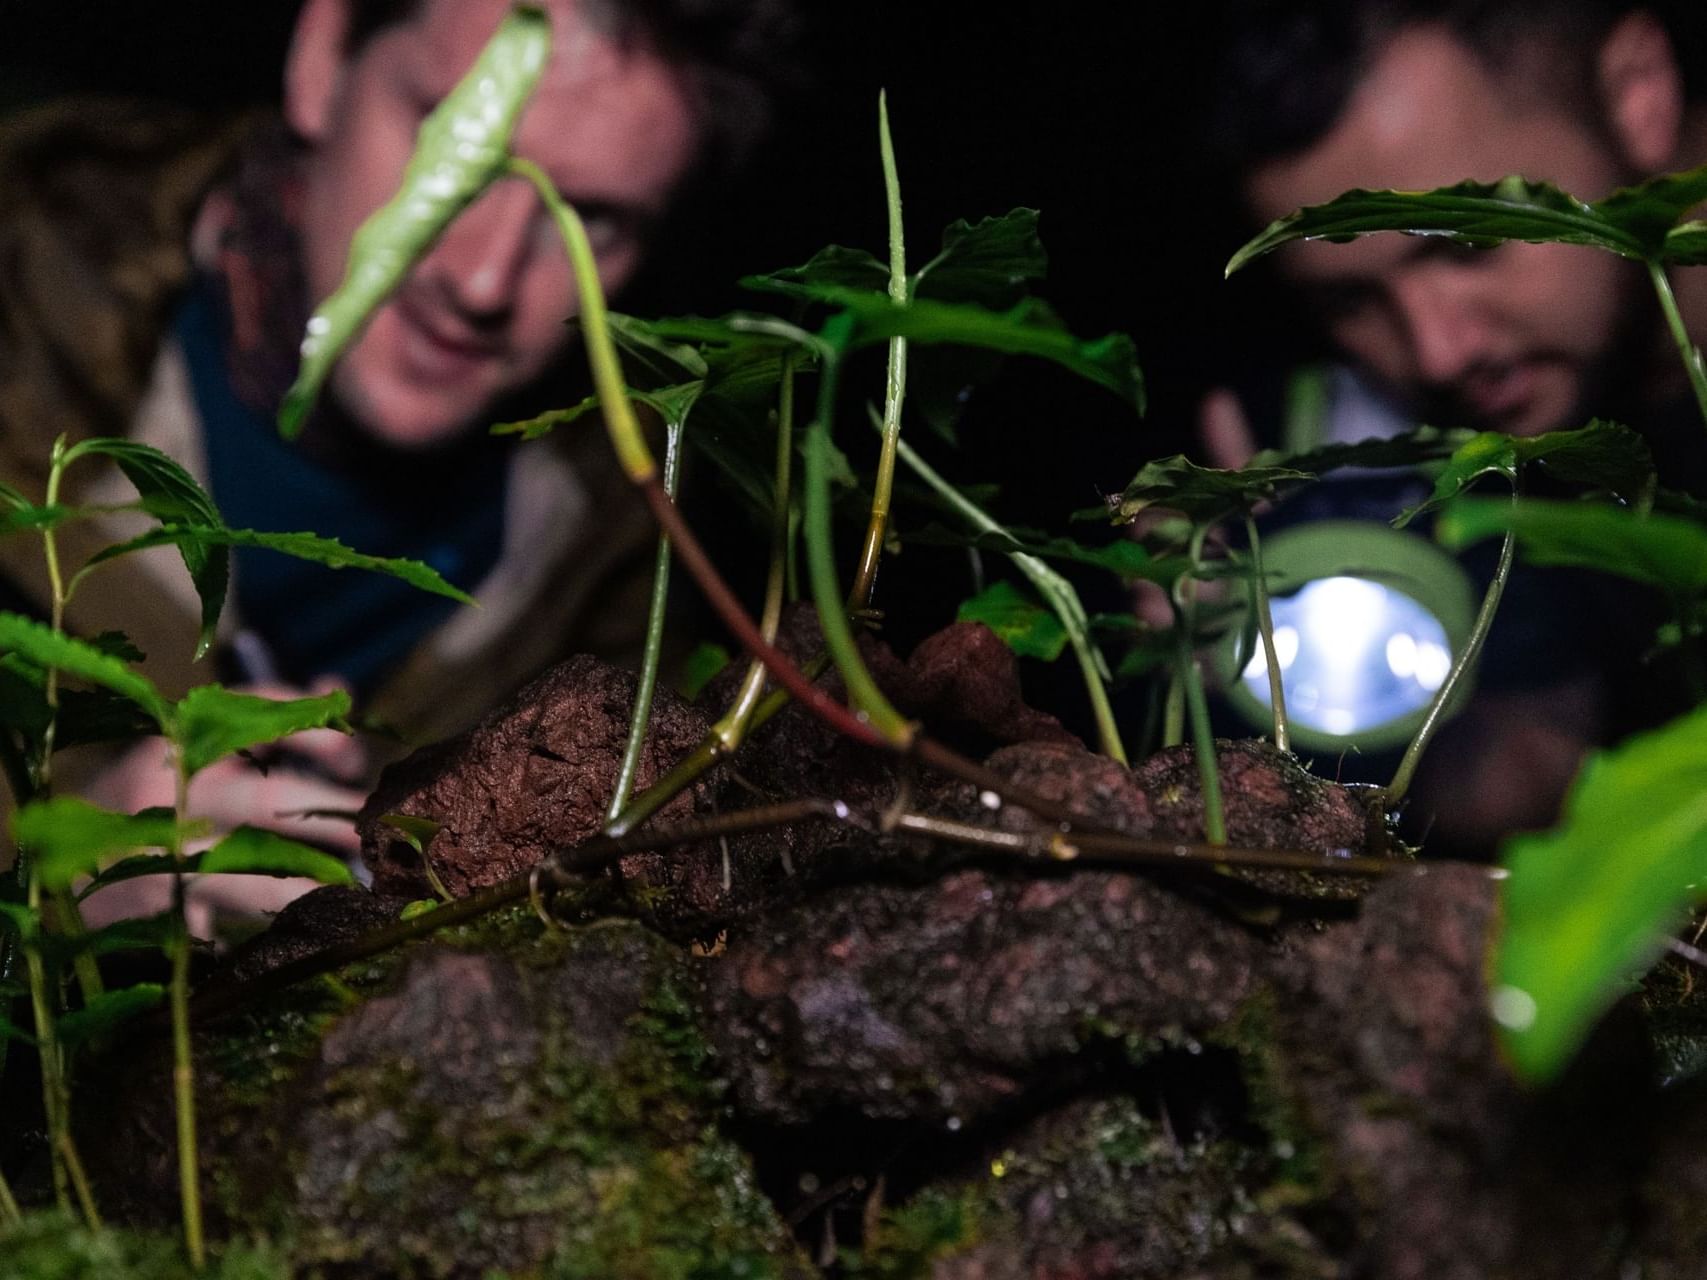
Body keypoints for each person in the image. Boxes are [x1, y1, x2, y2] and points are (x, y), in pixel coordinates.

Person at [0, 0, 795, 930]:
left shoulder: (622, 539)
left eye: (592, 217)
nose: (483, 280)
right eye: (452, 148)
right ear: (322, 58)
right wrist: (58, 871)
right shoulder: (22, 293)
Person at [1195, 0, 1707, 852]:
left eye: (1468, 239)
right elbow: (1533, 781)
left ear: (1636, 94)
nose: (1433, 355)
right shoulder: (1452, 435)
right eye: (1350, 299)